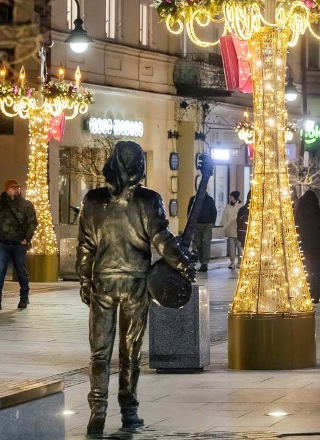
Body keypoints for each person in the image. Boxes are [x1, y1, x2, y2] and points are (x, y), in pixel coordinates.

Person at [77, 141, 195, 436]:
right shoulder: (148, 200)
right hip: (135, 283)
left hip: (103, 282)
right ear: (139, 166)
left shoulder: (92, 201)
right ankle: (129, 411)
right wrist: (183, 265)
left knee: (99, 353)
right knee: (130, 352)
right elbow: (162, 240)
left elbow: (85, 247)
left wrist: (84, 279)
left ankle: (97, 413)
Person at [0, 179, 37, 310]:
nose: (16, 189)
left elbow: (32, 222)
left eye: (18, 187)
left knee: (21, 271)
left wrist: (27, 238)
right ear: (7, 189)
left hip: (18, 244)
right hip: (3, 243)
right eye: (13, 187)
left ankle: (24, 297)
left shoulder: (26, 205)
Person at [295, 189, 320, 303]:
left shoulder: (298, 214)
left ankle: (307, 294)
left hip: (303, 249)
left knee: (306, 273)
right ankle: (316, 296)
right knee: (319, 274)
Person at [186, 190, 217, 272]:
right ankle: (201, 260)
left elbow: (214, 211)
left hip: (207, 224)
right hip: (196, 224)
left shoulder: (209, 199)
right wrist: (190, 223)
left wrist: (212, 222)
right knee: (198, 243)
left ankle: (205, 263)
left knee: (206, 242)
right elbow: (189, 211)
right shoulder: (193, 199)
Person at [222, 191, 242, 269]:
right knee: (231, 247)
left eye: (231, 196)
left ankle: (240, 261)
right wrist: (225, 227)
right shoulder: (227, 206)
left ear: (235, 197)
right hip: (230, 229)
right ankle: (232, 262)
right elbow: (224, 217)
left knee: (239, 247)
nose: (230, 197)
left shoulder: (240, 206)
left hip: (238, 229)